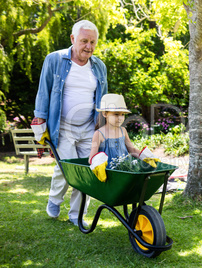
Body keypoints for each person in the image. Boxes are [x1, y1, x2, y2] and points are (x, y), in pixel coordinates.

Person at [33, 20, 107, 226]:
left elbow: (103, 98)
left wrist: (103, 126)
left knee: (88, 171)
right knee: (66, 168)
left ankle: (77, 214)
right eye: (84, 41)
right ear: (73, 39)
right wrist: (40, 120)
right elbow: (43, 90)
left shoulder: (99, 66)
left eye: (93, 42)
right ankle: (55, 199)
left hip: (88, 127)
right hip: (62, 125)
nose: (89, 47)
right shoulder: (55, 60)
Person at [88, 94, 142, 167]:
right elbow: (91, 158)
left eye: (123, 114)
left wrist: (146, 157)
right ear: (105, 114)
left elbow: (132, 151)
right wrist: (98, 166)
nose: (120, 118)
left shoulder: (123, 131)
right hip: (108, 174)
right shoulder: (99, 134)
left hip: (125, 170)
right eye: (116, 114)